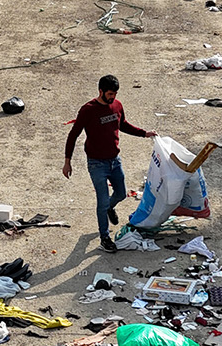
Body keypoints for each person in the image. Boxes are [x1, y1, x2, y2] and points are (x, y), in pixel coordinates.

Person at [63, 75, 156, 252]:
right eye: (110, 93)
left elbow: (123, 125)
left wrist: (145, 133)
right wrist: (67, 161)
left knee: (121, 193)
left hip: (115, 160)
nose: (113, 97)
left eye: (115, 94)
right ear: (101, 91)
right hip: (96, 163)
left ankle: (110, 208)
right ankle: (104, 237)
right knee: (102, 200)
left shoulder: (117, 105)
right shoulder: (88, 110)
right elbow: (73, 135)